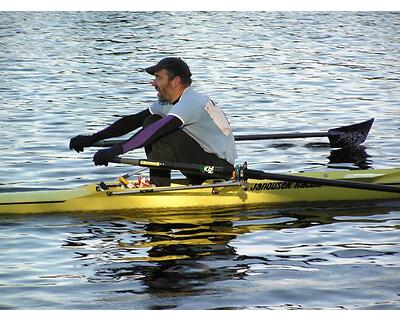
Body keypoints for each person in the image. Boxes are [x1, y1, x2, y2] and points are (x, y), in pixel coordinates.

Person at [69, 57, 237, 186]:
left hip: (218, 169)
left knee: (155, 127)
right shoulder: (168, 103)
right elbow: (131, 121)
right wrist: (91, 138)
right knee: (152, 120)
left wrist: (116, 150)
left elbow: (155, 130)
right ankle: (158, 185)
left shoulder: (191, 102)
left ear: (175, 81)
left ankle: (158, 187)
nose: (153, 83)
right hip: (201, 162)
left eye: (158, 78)